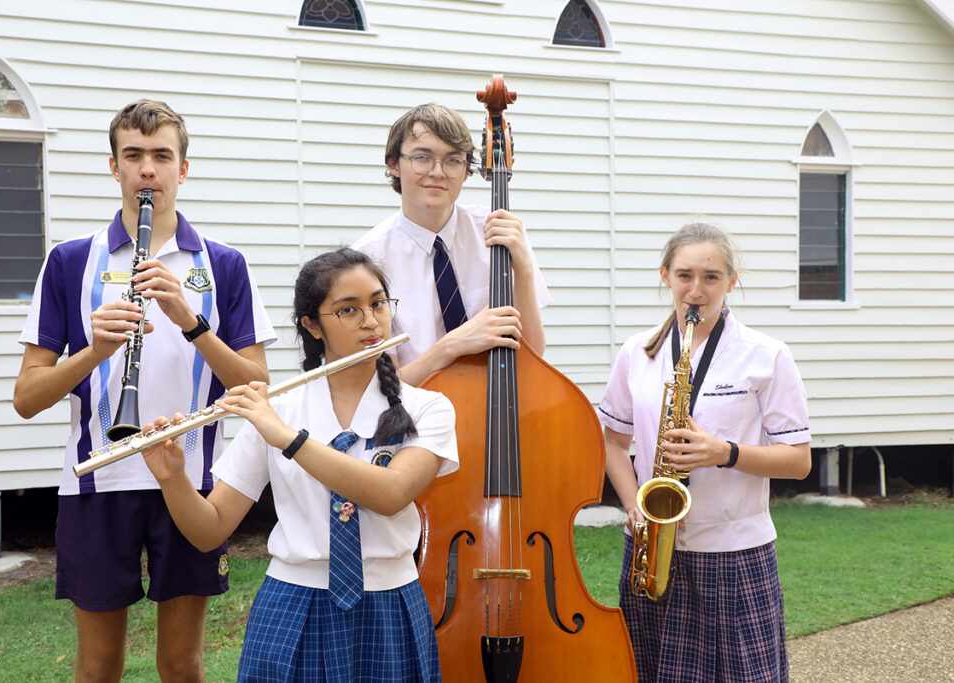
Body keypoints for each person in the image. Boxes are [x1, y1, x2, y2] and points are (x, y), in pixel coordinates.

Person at [13, 99, 276, 682]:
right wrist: (95, 352)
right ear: (114, 166)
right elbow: (27, 397)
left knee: (182, 666)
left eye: (162, 156)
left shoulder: (225, 264)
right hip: (95, 482)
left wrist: (191, 320)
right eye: (134, 156)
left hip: (191, 484)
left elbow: (257, 386)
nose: (148, 170)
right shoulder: (67, 261)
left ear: (184, 169)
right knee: (98, 667)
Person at [140, 248, 458, 682]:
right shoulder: (278, 409)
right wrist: (172, 477)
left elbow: (391, 493)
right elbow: (209, 530)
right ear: (312, 325)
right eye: (348, 310)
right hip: (291, 604)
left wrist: (289, 439)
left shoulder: (429, 408)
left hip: (390, 604)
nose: (370, 321)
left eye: (378, 303)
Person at [600, 222, 812, 682]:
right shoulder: (637, 352)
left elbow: (798, 460)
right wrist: (635, 504)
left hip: (734, 552)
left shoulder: (767, 355)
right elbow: (613, 443)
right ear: (665, 276)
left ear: (731, 281)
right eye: (685, 276)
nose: (697, 290)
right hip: (652, 548)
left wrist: (725, 452)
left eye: (711, 277)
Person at [351, 102, 552, 385]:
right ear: (394, 164)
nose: (437, 172)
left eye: (453, 160)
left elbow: (533, 352)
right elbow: (380, 389)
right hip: (416, 422)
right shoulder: (366, 260)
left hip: (495, 411)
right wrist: (452, 346)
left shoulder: (499, 231)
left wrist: (525, 270)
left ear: (467, 169)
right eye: (422, 157)